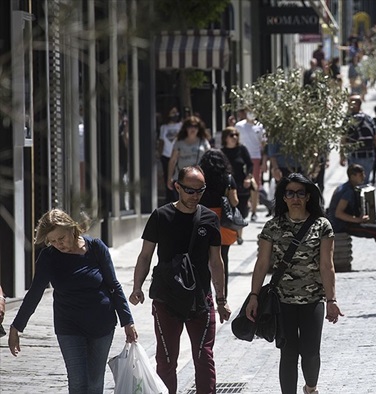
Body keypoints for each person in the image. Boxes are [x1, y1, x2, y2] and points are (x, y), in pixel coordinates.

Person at [9, 209, 137, 393]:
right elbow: (35, 293)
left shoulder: (95, 248)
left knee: (94, 383)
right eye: (52, 241)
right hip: (69, 325)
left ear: (72, 229)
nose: (58, 244)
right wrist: (17, 326)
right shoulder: (48, 257)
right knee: (77, 383)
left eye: (61, 238)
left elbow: (113, 285)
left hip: (101, 324)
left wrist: (128, 321)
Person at [129, 166, 231, 394]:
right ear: (177, 187)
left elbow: (216, 261)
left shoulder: (209, 218)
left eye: (200, 191)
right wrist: (137, 287)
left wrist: (222, 300)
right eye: (190, 190)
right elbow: (145, 255)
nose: (195, 196)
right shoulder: (161, 216)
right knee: (166, 361)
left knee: (204, 357)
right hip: (167, 300)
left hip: (200, 299)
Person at [245, 173, 342, 394]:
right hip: (283, 300)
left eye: (300, 193)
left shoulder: (322, 225)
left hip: (313, 299)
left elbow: (327, 266)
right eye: (290, 193)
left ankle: (311, 388)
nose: (295, 197)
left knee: (310, 353)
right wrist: (254, 296)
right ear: (284, 197)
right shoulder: (273, 226)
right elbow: (262, 264)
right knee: (288, 353)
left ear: (308, 196)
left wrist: (332, 300)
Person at [198, 149, 239, 296]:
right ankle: (222, 295)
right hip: (222, 222)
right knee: (223, 259)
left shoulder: (200, 178)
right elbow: (234, 202)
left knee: (203, 259)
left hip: (202, 219)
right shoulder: (228, 178)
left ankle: (204, 294)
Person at [327, 164, 376, 258]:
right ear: (352, 176)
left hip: (345, 222)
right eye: (360, 175)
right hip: (341, 225)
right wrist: (358, 220)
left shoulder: (347, 187)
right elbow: (338, 213)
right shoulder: (347, 191)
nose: (364, 177)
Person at [341, 95, 376, 183]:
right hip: (368, 156)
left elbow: (344, 139)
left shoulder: (347, 120)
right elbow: (375, 138)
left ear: (356, 104)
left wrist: (342, 155)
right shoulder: (368, 119)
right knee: (365, 183)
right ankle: (364, 197)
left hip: (354, 156)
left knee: (354, 183)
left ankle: (357, 197)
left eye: (350, 103)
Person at [221, 126, 254, 243]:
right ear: (225, 138)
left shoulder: (242, 149)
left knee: (242, 210)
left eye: (236, 135)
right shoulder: (221, 152)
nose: (234, 137)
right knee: (228, 209)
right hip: (227, 185)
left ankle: (238, 234)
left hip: (241, 184)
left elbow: (250, 165)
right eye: (231, 135)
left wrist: (248, 178)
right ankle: (236, 236)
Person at [235, 108, 266, 222]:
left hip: (255, 157)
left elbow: (263, 144)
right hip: (241, 157)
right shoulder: (239, 125)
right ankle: (241, 206)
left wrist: (263, 160)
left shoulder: (260, 126)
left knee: (254, 185)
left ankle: (253, 211)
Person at [167, 116, 211, 194]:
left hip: (198, 178)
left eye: (195, 126)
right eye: (190, 126)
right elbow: (173, 160)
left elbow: (209, 158)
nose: (193, 129)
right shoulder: (179, 142)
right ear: (186, 128)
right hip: (181, 177)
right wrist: (169, 177)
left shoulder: (203, 141)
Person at [158, 106, 182, 202]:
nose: (175, 115)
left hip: (178, 156)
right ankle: (170, 199)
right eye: (172, 112)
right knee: (168, 178)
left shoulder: (181, 125)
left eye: (176, 112)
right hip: (166, 155)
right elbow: (161, 141)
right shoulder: (163, 127)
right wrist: (159, 153)